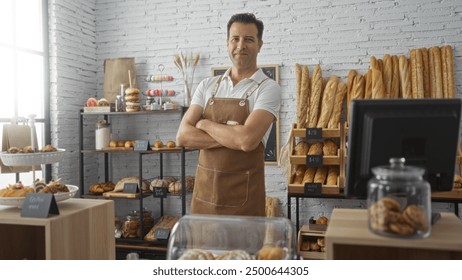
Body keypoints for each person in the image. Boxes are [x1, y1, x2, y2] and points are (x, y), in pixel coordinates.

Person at [176, 13, 281, 216]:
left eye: (249, 39)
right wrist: (233, 135)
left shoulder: (268, 88)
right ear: (227, 43)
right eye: (235, 38)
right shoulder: (207, 85)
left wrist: (205, 124)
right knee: (201, 250)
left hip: (244, 203)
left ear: (260, 44)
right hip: (204, 199)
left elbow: (247, 140)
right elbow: (183, 136)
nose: (241, 45)